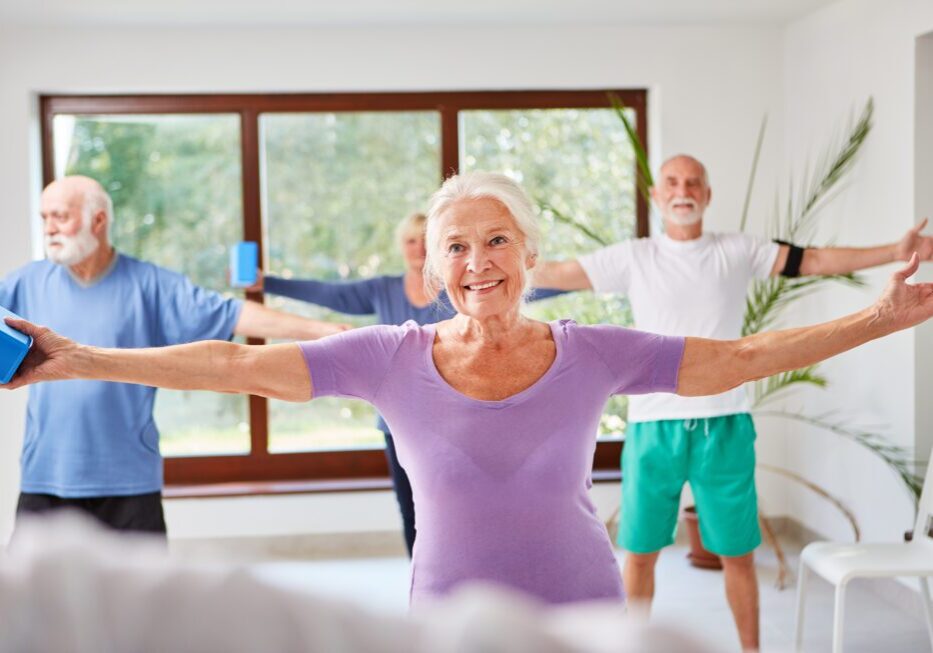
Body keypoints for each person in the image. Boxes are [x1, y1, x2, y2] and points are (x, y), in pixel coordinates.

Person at [5, 171, 933, 609]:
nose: (477, 261)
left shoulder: (596, 348)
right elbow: (237, 363)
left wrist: (877, 318)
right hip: (444, 611)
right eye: (456, 244)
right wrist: (81, 357)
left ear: (530, 255)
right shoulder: (388, 354)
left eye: (496, 241)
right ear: (434, 262)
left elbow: (729, 361)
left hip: (581, 606)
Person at [534, 154, 933, 650]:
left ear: (707, 195)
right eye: (673, 183)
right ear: (657, 196)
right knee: (639, 553)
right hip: (653, 427)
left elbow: (814, 260)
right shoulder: (633, 256)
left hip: (725, 424)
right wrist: (493, 261)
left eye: (694, 182)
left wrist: (893, 251)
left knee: (739, 554)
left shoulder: (737, 250)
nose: (684, 190)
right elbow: (556, 272)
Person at [0, 175, 348, 537]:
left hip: (129, 482)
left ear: (98, 220)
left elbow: (233, 313)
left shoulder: (150, 284)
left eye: (60, 216)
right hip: (47, 477)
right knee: (30, 595)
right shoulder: (27, 282)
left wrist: (321, 331)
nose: (49, 228)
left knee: (142, 595)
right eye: (44, 218)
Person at [252, 211, 565, 556]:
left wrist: (591, 276)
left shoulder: (462, 287)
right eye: (409, 241)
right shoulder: (382, 289)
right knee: (412, 509)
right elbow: (329, 293)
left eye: (424, 240)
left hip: (458, 421)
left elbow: (525, 283)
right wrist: (268, 283)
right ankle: (423, 583)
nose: (417, 249)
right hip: (397, 423)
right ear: (401, 247)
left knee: (464, 507)